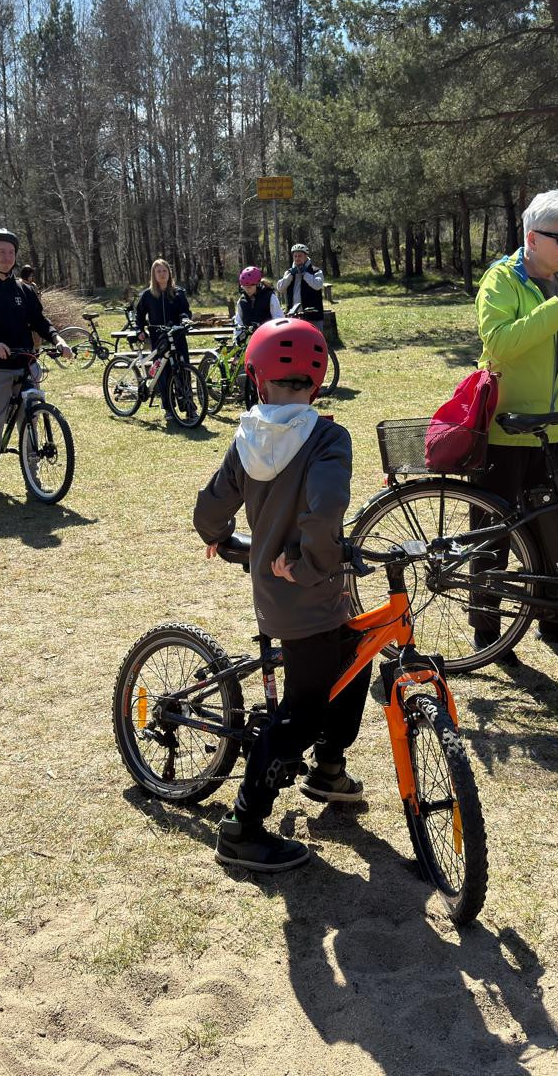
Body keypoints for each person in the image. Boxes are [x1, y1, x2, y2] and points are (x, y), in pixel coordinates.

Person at [193, 317, 361, 872]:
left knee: (354, 660)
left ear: (258, 381)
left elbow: (211, 508)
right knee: (301, 713)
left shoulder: (246, 440)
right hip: (307, 589)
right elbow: (326, 507)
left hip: (281, 590)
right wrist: (312, 562)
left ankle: (328, 769)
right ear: (317, 381)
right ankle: (242, 826)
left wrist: (220, 538)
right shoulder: (327, 437)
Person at [473, 190, 558, 654]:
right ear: (532, 237)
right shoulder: (501, 279)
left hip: (552, 428)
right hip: (504, 428)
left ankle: (556, 621)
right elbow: (500, 344)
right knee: (492, 533)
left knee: (552, 529)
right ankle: (489, 634)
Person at [0, 228, 70, 500]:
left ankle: (33, 478)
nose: (7, 257)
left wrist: (57, 339)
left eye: (11, 252)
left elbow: (39, 321)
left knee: (30, 419)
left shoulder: (24, 289)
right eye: (0, 252)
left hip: (25, 362)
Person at [135, 258, 192, 415]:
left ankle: (188, 406)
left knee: (183, 370)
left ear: (169, 273)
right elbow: (139, 315)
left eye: (164, 271)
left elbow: (185, 311)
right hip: (158, 338)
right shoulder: (147, 295)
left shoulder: (179, 292)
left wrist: (185, 319)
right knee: (163, 373)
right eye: (158, 271)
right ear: (154, 274)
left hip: (177, 336)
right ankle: (168, 407)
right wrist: (139, 329)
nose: (162, 274)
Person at [276, 243, 325, 318]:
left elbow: (318, 285)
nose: (297, 258)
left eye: (300, 256)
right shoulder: (289, 272)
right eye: (295, 256)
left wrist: (305, 273)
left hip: (313, 315)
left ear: (306, 256)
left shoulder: (316, 271)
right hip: (293, 315)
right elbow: (280, 288)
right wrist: (290, 275)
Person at [233, 265, 282, 335]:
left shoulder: (270, 297)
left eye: (250, 287)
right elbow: (238, 322)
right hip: (249, 340)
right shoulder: (242, 301)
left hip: (268, 337)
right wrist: (237, 336)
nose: (247, 290)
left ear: (257, 284)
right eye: (244, 287)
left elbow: (279, 319)